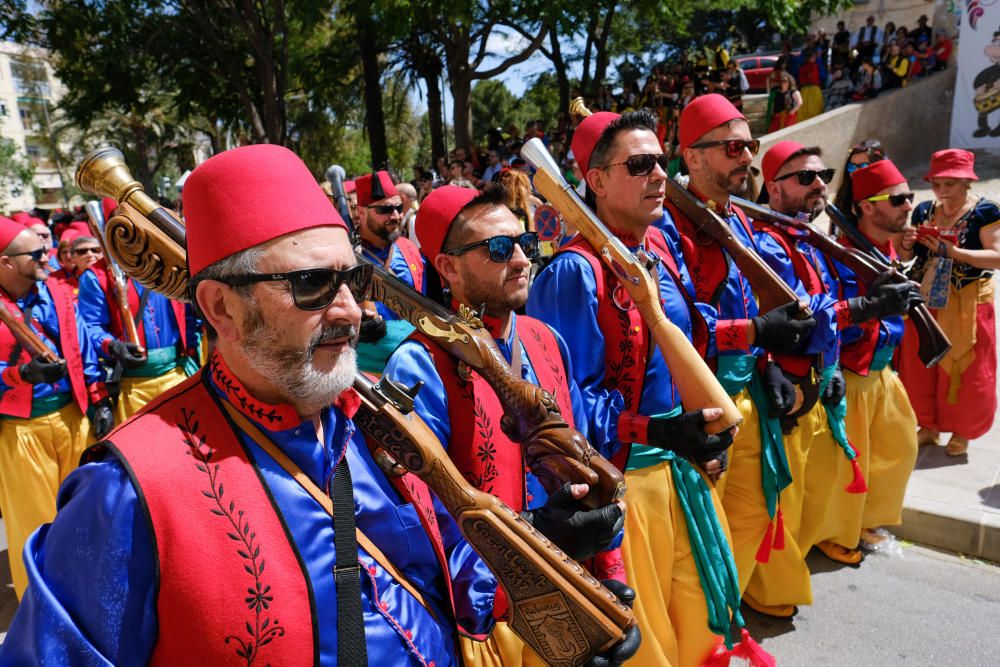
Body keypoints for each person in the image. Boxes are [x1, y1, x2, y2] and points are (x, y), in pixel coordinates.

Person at [0, 145, 638, 665]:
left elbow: (440, 579)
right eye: (310, 284)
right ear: (221, 307)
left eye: (351, 280)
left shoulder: (373, 422)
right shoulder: (127, 489)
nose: (352, 312)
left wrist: (541, 541)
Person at [528, 107, 776, 667]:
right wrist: (656, 428)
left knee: (693, 614)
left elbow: (693, 336)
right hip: (625, 482)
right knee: (648, 640)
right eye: (639, 165)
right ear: (595, 181)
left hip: (679, 472)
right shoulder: (574, 272)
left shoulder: (657, 250)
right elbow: (564, 403)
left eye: (660, 162)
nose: (659, 175)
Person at [384, 185, 633, 666]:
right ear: (448, 268)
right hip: (486, 625)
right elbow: (423, 527)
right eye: (498, 248)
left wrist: (607, 568)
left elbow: (585, 467)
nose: (521, 259)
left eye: (524, 241)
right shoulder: (419, 365)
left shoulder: (546, 339)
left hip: (575, 591)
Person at [667, 94, 823, 602]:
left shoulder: (739, 219)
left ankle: (724, 619)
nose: (748, 158)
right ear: (692, 157)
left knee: (754, 512)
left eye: (750, 145)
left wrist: (773, 357)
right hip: (698, 401)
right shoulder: (666, 224)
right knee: (697, 536)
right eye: (733, 147)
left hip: (749, 392)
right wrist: (753, 333)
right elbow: (681, 328)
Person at [749, 141, 891, 603]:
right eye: (805, 177)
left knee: (813, 491)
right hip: (784, 387)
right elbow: (801, 312)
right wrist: (863, 307)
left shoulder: (808, 239)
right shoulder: (765, 241)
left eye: (823, 175)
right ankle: (767, 590)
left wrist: (830, 362)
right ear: (773, 187)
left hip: (816, 381)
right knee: (781, 502)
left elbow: (824, 308)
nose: (818, 185)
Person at [0, 216, 113, 599]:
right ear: (7, 263)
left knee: (90, 514)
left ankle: (94, 600)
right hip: (22, 431)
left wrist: (98, 399)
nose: (47, 258)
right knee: (34, 525)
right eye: (36, 253)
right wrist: (21, 374)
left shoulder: (59, 293)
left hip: (73, 418)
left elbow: (82, 345)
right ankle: (43, 610)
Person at [817, 159, 922, 561]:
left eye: (909, 196)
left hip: (882, 368)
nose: (908, 204)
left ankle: (864, 521)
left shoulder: (889, 250)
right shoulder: (843, 254)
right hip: (852, 369)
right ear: (866, 207)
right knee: (850, 463)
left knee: (900, 446)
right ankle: (837, 533)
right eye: (897, 199)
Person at [898, 149, 1000, 456]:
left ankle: (962, 432)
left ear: (966, 183)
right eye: (938, 183)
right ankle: (927, 426)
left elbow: (996, 256)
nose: (942, 191)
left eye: (950, 184)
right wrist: (905, 244)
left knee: (968, 368)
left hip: (968, 300)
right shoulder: (924, 210)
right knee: (919, 366)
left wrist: (954, 252)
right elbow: (907, 257)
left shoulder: (986, 212)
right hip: (926, 299)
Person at [77, 225, 200, 422]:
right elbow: (89, 327)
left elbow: (189, 316)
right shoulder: (94, 277)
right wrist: (113, 345)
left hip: (178, 374)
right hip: (133, 385)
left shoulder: (170, 261)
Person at [354, 170, 426, 372]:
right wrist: (356, 328)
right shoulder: (344, 257)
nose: (395, 215)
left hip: (415, 359)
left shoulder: (409, 248)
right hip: (367, 370)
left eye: (398, 207)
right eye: (385, 209)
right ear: (361, 212)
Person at [833, 139, 886, 216]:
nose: (856, 172)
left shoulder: (887, 199)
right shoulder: (844, 196)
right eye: (852, 166)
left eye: (864, 166)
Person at [796, 49, 824, 122]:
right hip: (814, 90)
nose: (815, 58)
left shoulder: (801, 68)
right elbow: (821, 76)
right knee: (814, 111)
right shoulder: (815, 66)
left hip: (804, 91)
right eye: (814, 57)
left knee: (803, 112)